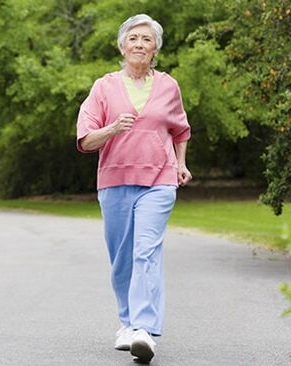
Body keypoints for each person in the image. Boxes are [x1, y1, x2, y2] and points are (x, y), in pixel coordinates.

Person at [76, 14, 192, 364]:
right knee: (121, 258)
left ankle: (144, 329)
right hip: (114, 181)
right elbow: (84, 140)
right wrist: (112, 128)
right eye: (134, 38)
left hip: (159, 180)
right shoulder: (104, 87)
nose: (140, 44)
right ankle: (126, 323)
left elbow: (181, 130)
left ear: (155, 48)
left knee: (146, 251)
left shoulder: (169, 86)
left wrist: (181, 163)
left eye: (147, 39)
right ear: (122, 45)